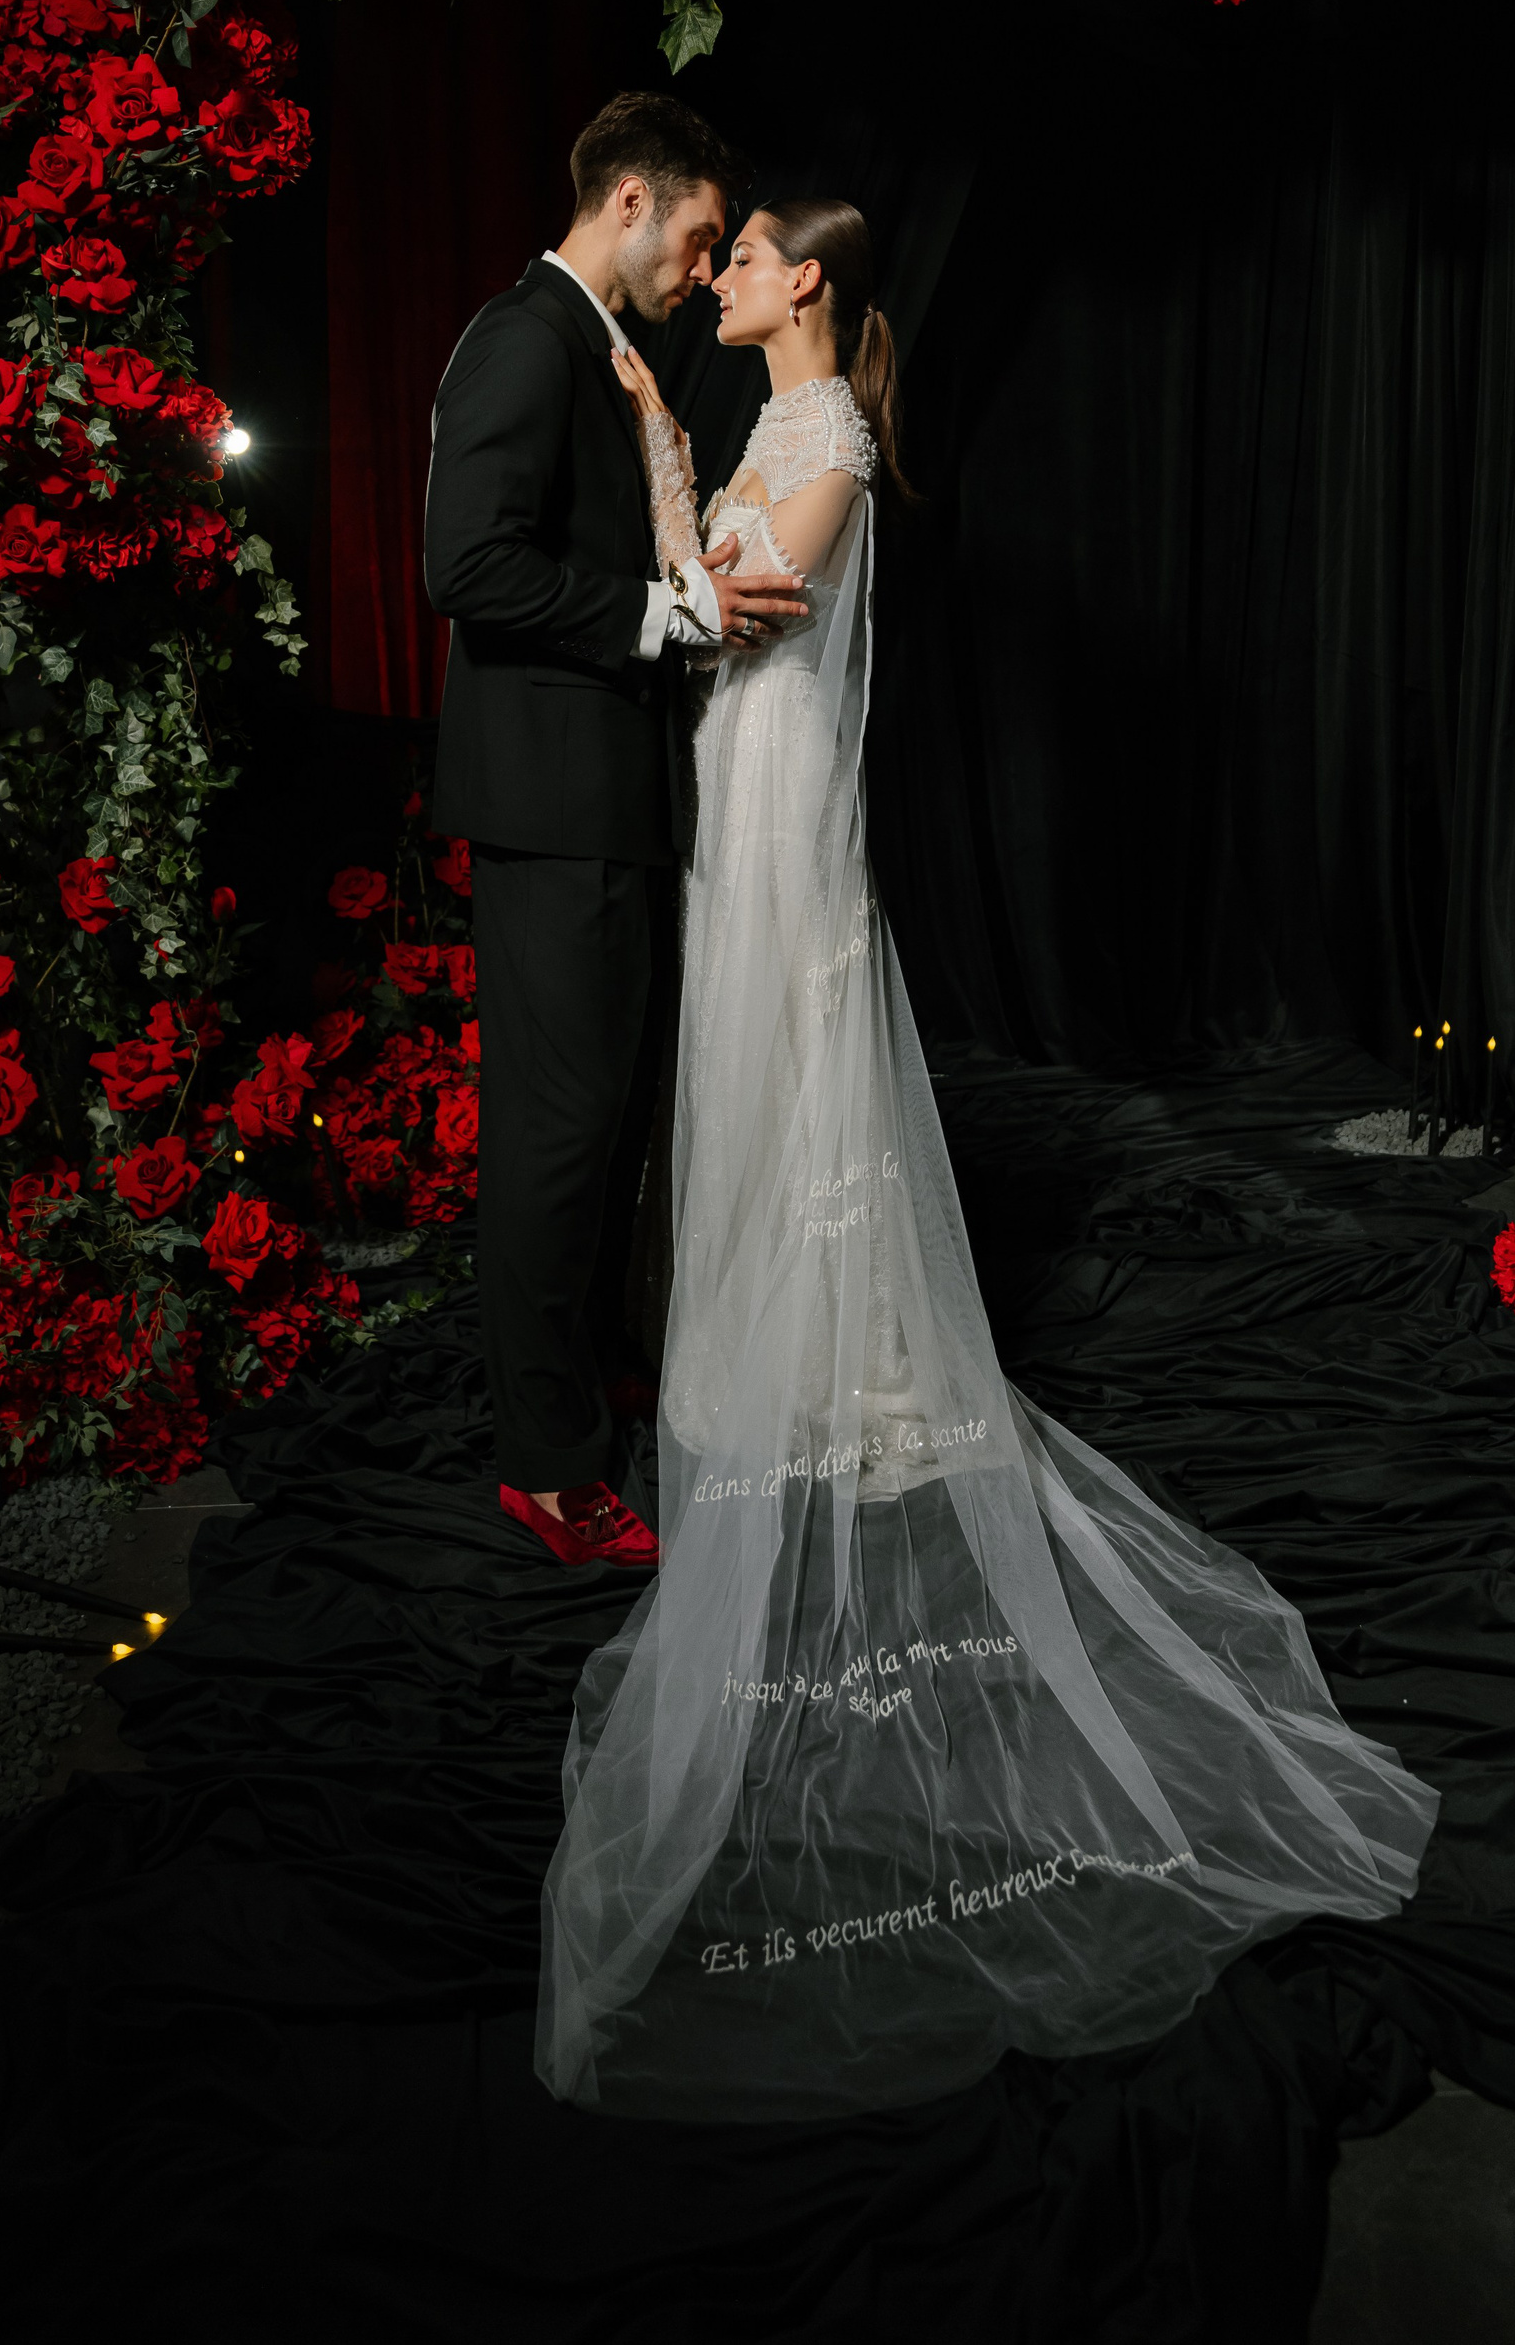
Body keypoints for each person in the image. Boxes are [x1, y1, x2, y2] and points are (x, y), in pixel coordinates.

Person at [534, 197, 1442, 2120]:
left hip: (782, 797)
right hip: (728, 782)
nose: (724, 275)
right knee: (740, 1066)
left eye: (746, 255)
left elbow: (740, 601)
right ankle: (761, 1339)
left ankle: (843, 1358)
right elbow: (696, 592)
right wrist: (673, 455)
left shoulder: (836, 439)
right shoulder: (772, 421)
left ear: (809, 285)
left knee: (800, 1056)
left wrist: (664, 465)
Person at [424, 93, 807, 1568]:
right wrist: (669, 612)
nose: (706, 270)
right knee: (557, 1135)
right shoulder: (527, 340)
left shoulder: (596, 346)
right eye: (701, 237)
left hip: (604, 799)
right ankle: (546, 1465)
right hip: (553, 804)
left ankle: (580, 1385)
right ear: (632, 200)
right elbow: (467, 565)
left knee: (601, 1126)